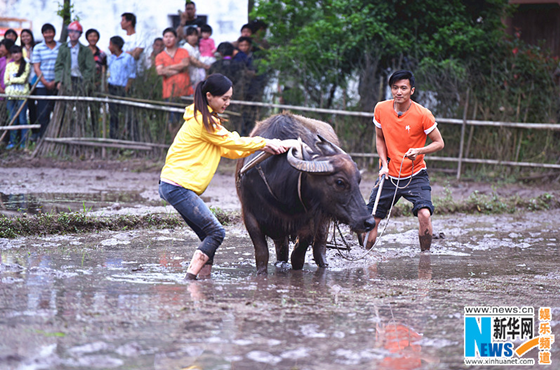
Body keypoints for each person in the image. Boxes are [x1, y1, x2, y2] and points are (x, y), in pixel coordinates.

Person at [158, 73, 292, 280]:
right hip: (178, 186)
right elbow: (231, 141)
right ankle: (190, 279)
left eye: (230, 98)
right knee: (216, 232)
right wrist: (264, 142)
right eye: (225, 98)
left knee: (206, 234)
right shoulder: (203, 122)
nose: (228, 103)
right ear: (209, 96)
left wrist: (262, 150)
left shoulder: (207, 120)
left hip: (173, 185)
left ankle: (203, 279)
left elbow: (230, 150)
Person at [365, 70, 445, 252]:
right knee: (371, 219)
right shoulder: (381, 109)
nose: (398, 92)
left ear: (412, 90)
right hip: (389, 174)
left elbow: (439, 143)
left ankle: (425, 258)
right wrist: (384, 165)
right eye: (395, 88)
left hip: (415, 174)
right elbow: (379, 139)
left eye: (403, 88)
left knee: (424, 213)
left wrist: (419, 150)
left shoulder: (423, 114)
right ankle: (365, 256)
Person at [155, 28, 192, 137]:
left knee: (187, 120)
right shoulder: (160, 56)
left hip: (186, 90)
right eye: (166, 37)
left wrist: (168, 68)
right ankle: (174, 143)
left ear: (176, 38)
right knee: (172, 120)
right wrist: (177, 68)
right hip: (169, 92)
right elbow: (159, 71)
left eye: (171, 36)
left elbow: (185, 64)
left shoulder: (183, 52)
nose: (168, 39)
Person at [31, 23, 61, 139]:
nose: (48, 35)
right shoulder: (38, 48)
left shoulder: (61, 47)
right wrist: (45, 82)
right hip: (41, 85)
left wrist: (55, 81)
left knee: (57, 111)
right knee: (42, 112)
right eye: (46, 32)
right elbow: (36, 67)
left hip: (57, 84)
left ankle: (56, 136)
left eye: (50, 32)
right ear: (43, 34)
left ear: (54, 33)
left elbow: (63, 66)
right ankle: (44, 137)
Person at [107, 36, 136, 139]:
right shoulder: (111, 58)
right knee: (113, 113)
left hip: (122, 87)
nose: (108, 47)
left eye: (110, 45)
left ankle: (125, 134)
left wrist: (127, 87)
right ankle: (113, 136)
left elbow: (132, 74)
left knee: (124, 113)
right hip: (112, 87)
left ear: (115, 46)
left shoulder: (128, 58)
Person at [54, 21, 95, 92]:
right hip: (66, 80)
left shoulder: (86, 50)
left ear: (80, 34)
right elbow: (59, 66)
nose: (73, 34)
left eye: (76, 32)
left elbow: (90, 68)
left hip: (81, 80)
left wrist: (85, 80)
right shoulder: (63, 48)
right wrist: (59, 81)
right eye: (71, 32)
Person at [4, 45, 31, 150]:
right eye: (14, 53)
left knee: (22, 119)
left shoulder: (26, 65)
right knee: (12, 119)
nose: (16, 55)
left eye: (18, 52)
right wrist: (13, 80)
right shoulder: (9, 66)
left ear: (21, 53)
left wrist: (12, 79)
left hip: (22, 95)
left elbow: (24, 79)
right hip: (10, 95)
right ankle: (13, 141)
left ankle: (24, 142)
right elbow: (5, 81)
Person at [20, 29, 37, 127]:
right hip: (24, 82)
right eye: (23, 36)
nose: (25, 38)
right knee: (29, 106)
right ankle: (32, 129)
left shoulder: (36, 48)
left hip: (36, 79)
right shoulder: (19, 50)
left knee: (38, 105)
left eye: (27, 35)